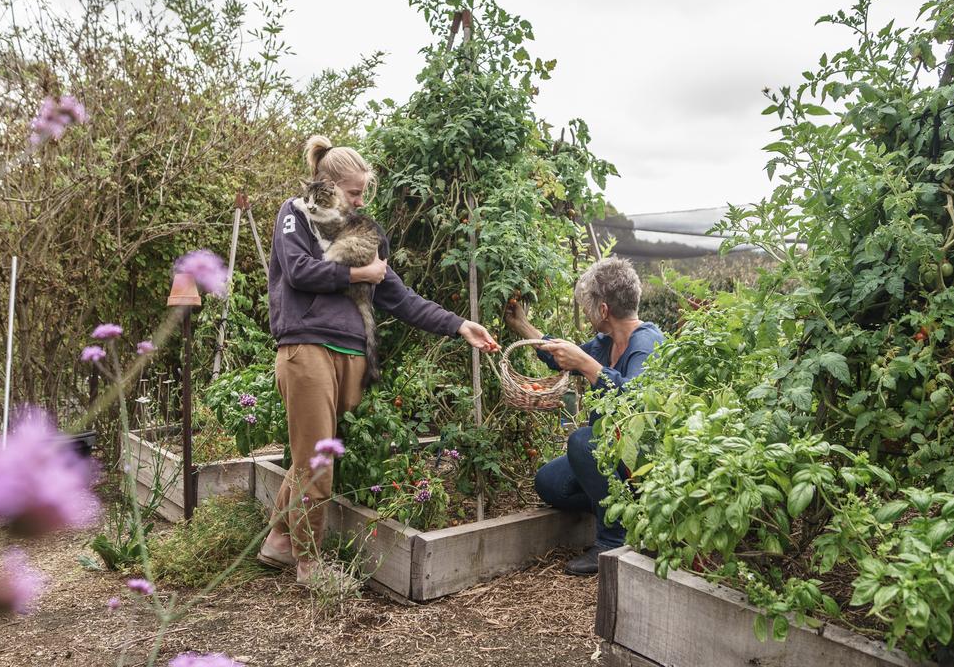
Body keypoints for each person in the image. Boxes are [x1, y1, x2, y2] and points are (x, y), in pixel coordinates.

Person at [259, 135, 499, 584]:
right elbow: (297, 271)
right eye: (354, 192)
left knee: (310, 455)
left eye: (363, 192)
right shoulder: (295, 214)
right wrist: (356, 273)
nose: (360, 199)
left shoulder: (364, 233)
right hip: (307, 347)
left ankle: (278, 539)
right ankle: (310, 565)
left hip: (350, 354)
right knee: (317, 461)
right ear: (328, 185)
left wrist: (459, 324)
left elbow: (398, 296)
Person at [503, 257, 665, 576]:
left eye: (588, 306)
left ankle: (613, 540)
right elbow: (563, 357)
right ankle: (620, 510)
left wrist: (588, 366)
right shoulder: (605, 343)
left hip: (642, 462)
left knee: (582, 441)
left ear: (603, 310)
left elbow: (635, 407)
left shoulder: (647, 343)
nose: (587, 313)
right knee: (549, 483)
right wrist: (523, 326)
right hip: (612, 456)